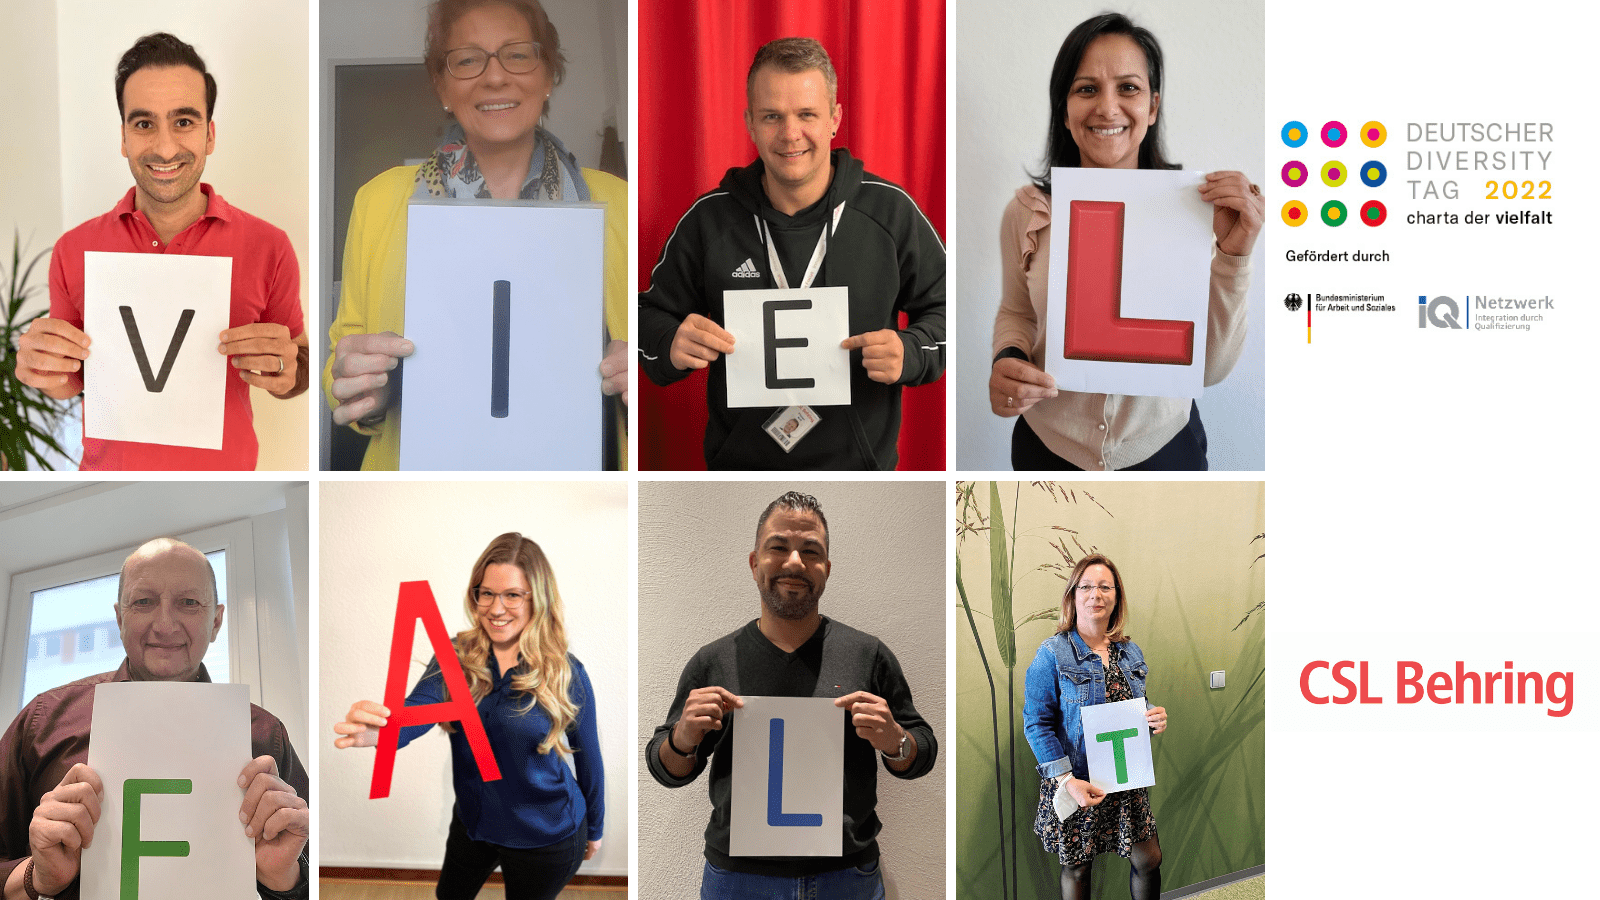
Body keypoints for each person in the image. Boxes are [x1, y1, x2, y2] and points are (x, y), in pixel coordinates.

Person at [325, 0, 629, 470]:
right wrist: (361, 385)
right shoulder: (379, 200)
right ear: (442, 85)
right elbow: (342, 353)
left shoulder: (620, 203)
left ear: (548, 76)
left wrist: (646, 378)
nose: (494, 77)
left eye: (518, 54)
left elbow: (653, 355)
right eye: (467, 59)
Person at [637, 38, 945, 470]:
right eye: (771, 117)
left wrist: (911, 351)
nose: (789, 134)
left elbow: (948, 309)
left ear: (834, 119)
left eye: (807, 115)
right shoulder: (709, 220)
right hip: (738, 473)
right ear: (749, 122)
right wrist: (671, 343)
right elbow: (644, 318)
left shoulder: (889, 212)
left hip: (862, 474)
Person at [15, 33, 309, 470]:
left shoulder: (269, 246)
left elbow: (298, 372)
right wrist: (45, 369)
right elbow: (74, 380)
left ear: (210, 134)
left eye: (184, 122)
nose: (166, 147)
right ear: (123, 138)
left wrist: (287, 370)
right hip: (104, 482)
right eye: (144, 123)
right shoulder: (74, 250)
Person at [989, 13, 1264, 471]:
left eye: (1129, 88)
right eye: (1087, 89)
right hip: (1047, 447)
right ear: (1064, 108)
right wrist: (1008, 358)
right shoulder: (1029, 211)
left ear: (1153, 107)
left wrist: (1235, 256)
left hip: (1164, 447)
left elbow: (1210, 370)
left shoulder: (1199, 214)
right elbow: (1017, 311)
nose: (1108, 108)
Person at [646, 491, 936, 899]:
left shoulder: (867, 654)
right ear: (754, 563)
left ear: (827, 569)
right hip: (738, 881)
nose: (794, 562)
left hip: (846, 878)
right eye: (778, 547)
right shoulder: (713, 661)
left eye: (810, 551)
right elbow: (666, 769)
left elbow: (921, 752)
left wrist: (895, 742)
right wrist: (682, 739)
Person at [0, 538, 310, 900]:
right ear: (120, 618)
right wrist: (36, 878)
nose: (165, 625)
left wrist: (286, 877)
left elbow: (311, 871)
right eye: (144, 601)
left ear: (216, 621)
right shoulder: (44, 721)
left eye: (189, 603)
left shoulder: (265, 736)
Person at [334, 533, 602, 900]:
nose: (495, 608)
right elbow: (420, 708)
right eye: (486, 593)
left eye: (512, 594)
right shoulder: (456, 654)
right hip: (475, 822)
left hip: (546, 834)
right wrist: (382, 730)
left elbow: (589, 758)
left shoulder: (566, 673)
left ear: (537, 599)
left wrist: (596, 828)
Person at [1022, 554, 1168, 900]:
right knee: (1078, 867)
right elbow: (1036, 724)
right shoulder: (1053, 654)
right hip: (1077, 779)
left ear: (1116, 597)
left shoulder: (1129, 652)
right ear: (1073, 596)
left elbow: (1130, 705)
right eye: (1086, 586)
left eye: (1105, 587)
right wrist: (1067, 781)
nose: (1095, 595)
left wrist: (1151, 715)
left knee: (1149, 858)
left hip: (1124, 775)